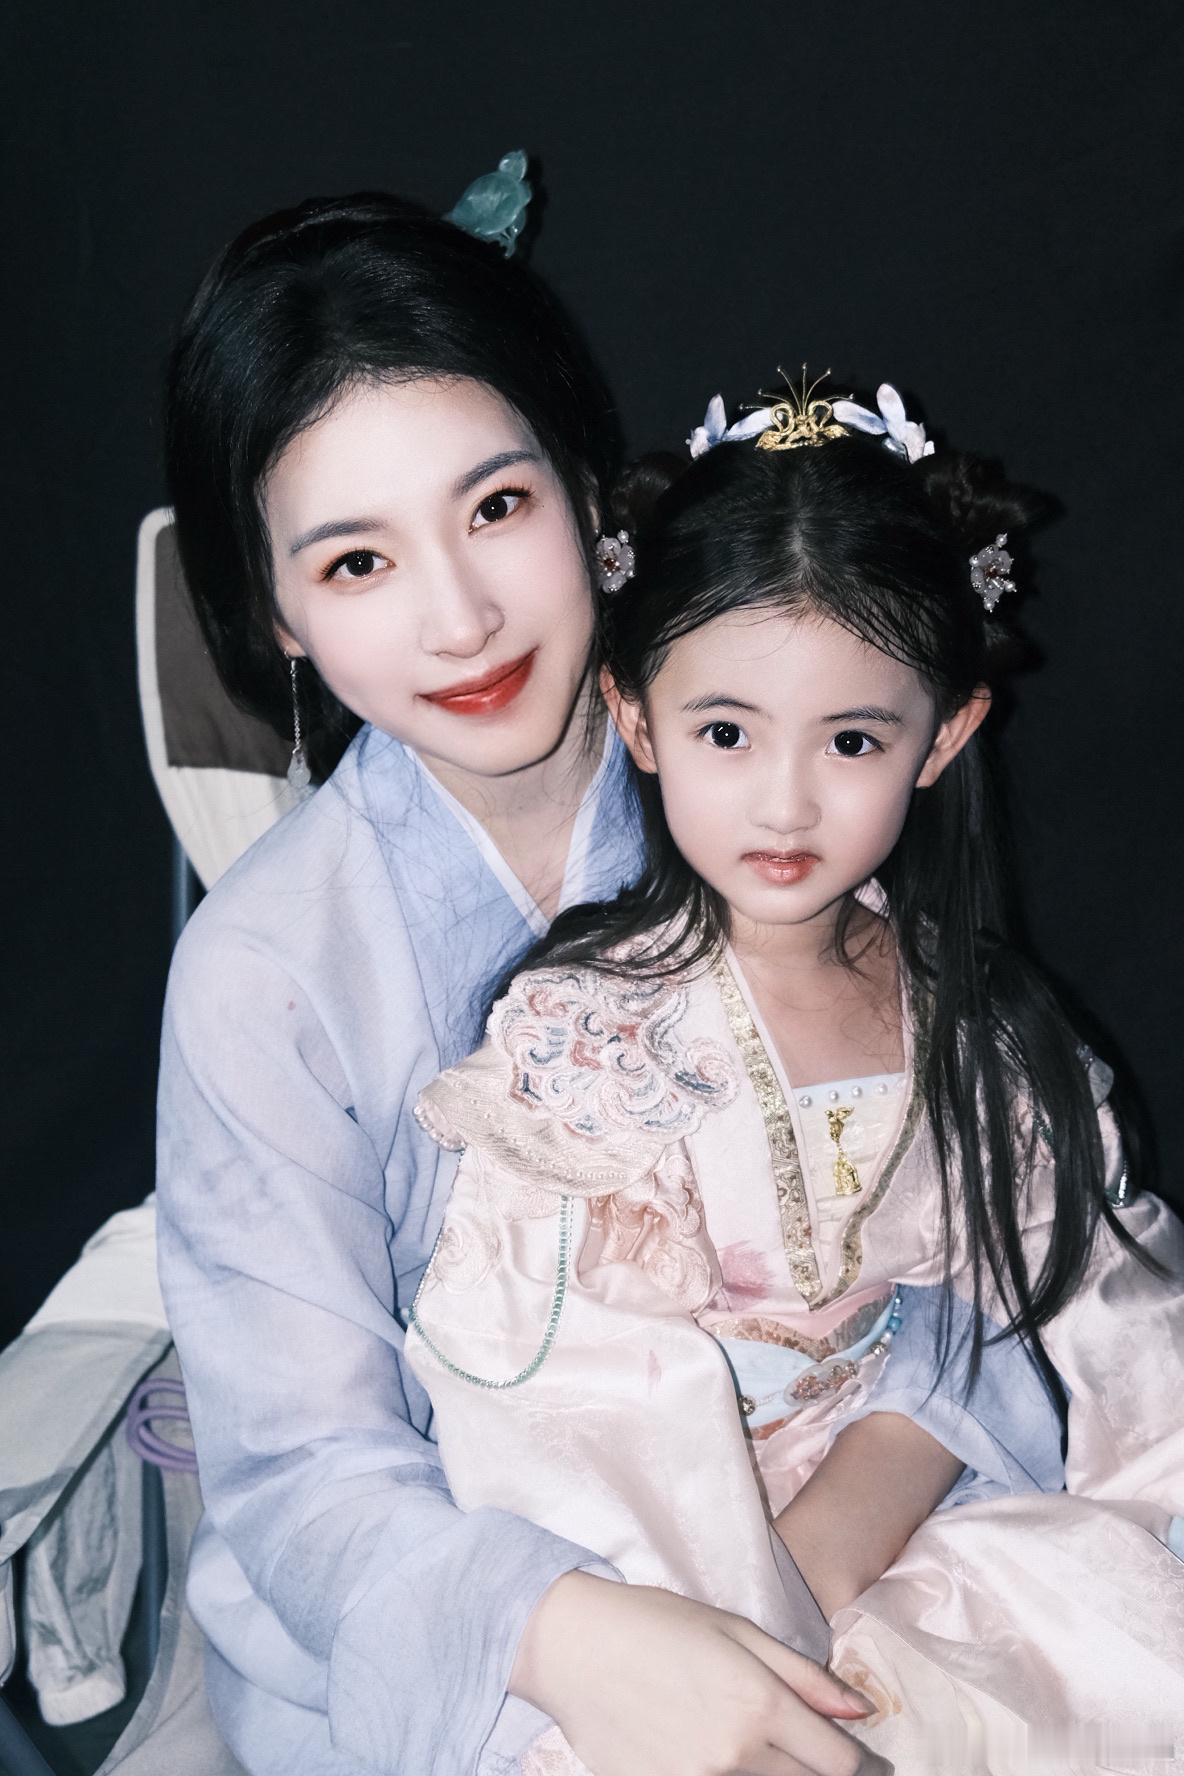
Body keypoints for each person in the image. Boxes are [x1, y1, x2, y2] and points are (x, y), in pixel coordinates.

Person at [157, 193, 934, 1776]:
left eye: (497, 506)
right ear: (279, 617)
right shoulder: (261, 974)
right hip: (452, 1620)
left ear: (588, 494)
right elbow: (305, 1475)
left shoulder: (766, 790)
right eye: (357, 560)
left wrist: (785, 1586)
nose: (461, 619)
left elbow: (964, 1242)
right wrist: (587, 1639)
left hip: (831, 1524)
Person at [406, 379, 1184, 1774]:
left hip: (934, 1537)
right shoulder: (590, 1039)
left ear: (945, 738)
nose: (785, 801)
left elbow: (1116, 1319)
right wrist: (756, 1612)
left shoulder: (988, 1038)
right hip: (664, 1577)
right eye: (727, 732)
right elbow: (561, 1406)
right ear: (636, 718)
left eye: (853, 740)